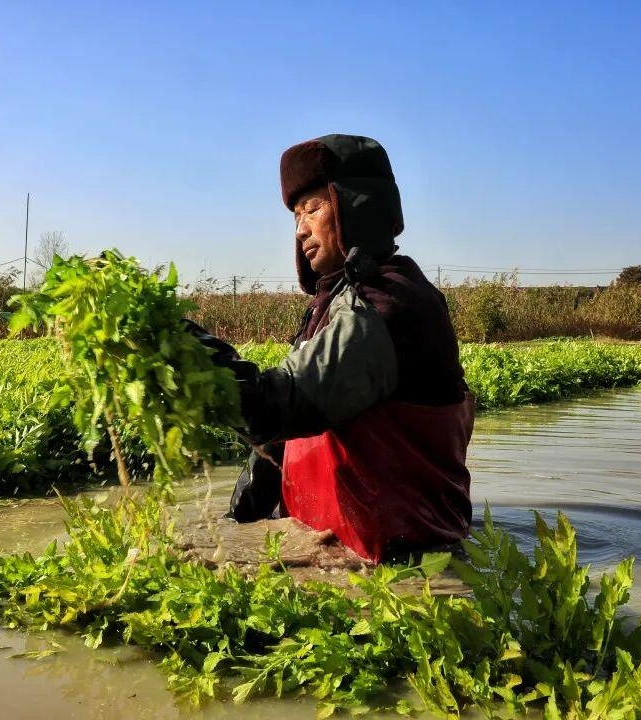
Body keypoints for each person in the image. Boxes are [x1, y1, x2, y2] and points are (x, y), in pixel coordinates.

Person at [190, 134, 475, 564]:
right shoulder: (331, 304)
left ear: (355, 207)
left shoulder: (389, 304)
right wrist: (238, 526)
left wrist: (182, 348)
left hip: (404, 572)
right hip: (326, 548)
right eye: (294, 216)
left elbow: (276, 407)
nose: (300, 228)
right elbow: (279, 442)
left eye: (313, 208)